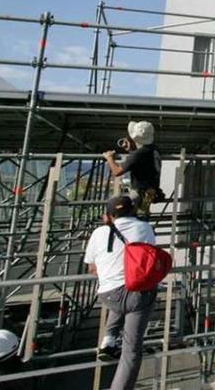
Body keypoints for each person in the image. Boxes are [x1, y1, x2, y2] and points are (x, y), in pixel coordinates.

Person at [84, 196, 157, 390]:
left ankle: (108, 339)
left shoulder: (98, 232)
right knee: (131, 351)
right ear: (133, 210)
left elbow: (91, 268)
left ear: (108, 216)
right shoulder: (145, 228)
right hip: (137, 296)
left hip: (109, 295)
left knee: (122, 285)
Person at [103, 121, 162, 218]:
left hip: (139, 194)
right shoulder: (154, 149)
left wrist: (109, 157)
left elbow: (117, 171)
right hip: (149, 193)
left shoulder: (138, 154)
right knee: (141, 218)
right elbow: (143, 164)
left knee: (128, 217)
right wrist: (132, 150)